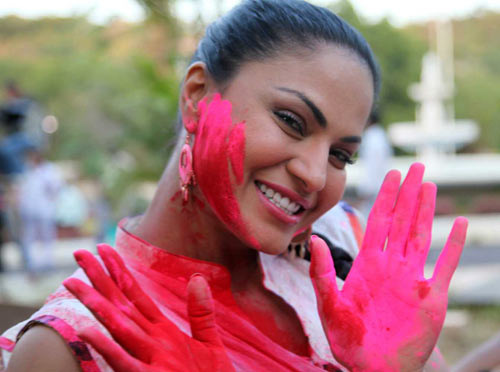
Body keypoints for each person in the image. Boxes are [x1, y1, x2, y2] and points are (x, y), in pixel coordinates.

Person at [0, 1, 467, 371]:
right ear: (197, 95)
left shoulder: (345, 251)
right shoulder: (72, 345)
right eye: (291, 121)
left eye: (340, 155)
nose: (316, 175)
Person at [16, 147, 64, 272]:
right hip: (29, 210)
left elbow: (56, 188)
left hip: (45, 209)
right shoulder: (27, 170)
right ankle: (31, 262)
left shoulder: (49, 170)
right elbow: (23, 190)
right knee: (29, 236)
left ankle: (47, 260)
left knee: (46, 235)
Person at [356, 110, 393, 217]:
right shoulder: (380, 135)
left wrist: (367, 188)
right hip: (380, 184)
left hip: (373, 187)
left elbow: (372, 165)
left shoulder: (371, 137)